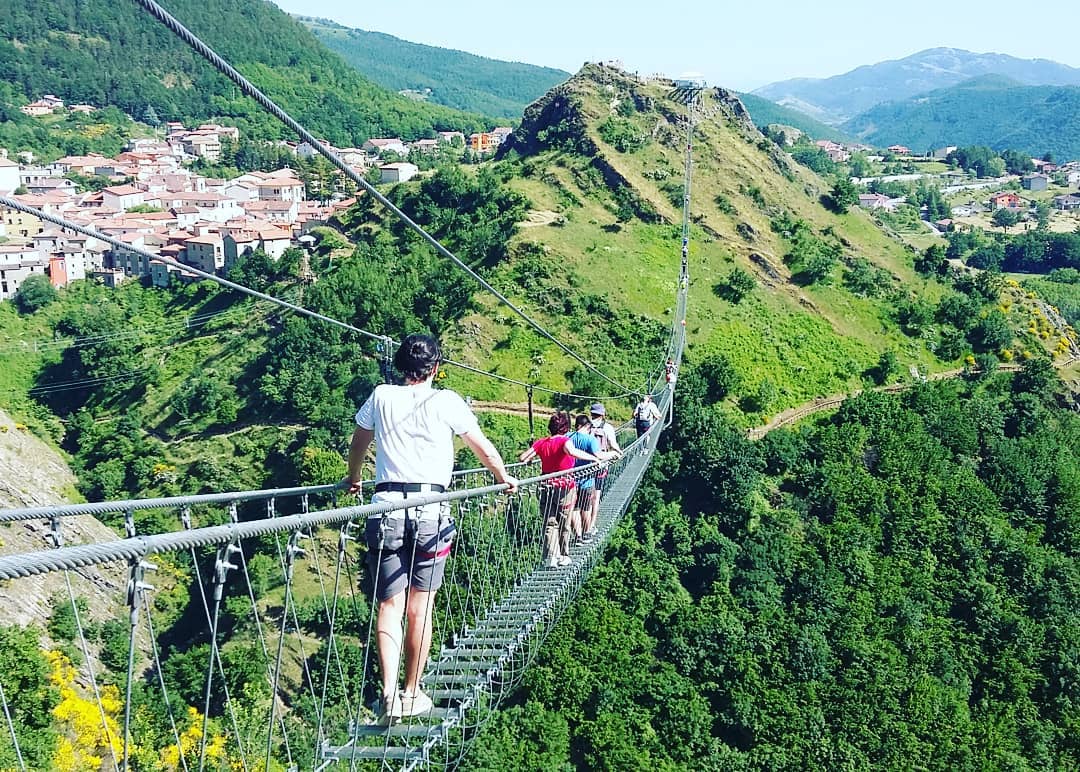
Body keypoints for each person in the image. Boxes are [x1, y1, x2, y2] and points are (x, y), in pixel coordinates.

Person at [346, 333, 518, 723]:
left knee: (389, 607)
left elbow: (358, 444)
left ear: (400, 367)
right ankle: (411, 694)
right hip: (431, 513)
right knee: (420, 609)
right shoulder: (447, 400)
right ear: (435, 368)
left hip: (386, 508)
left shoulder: (381, 395)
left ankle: (388, 695)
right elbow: (482, 447)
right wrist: (504, 477)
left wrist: (354, 478)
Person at [519, 412, 601, 568]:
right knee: (564, 522)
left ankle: (551, 557)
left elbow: (523, 458)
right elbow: (572, 452)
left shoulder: (541, 442)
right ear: (566, 427)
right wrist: (594, 458)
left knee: (550, 523)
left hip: (546, 486)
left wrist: (530, 461)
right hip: (564, 487)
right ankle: (564, 555)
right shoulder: (565, 440)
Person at [567, 414, 618, 542]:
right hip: (586, 480)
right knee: (585, 508)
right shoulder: (590, 440)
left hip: (571, 479)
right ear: (587, 426)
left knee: (574, 508)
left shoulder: (567, 437)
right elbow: (599, 455)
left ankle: (578, 536)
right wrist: (613, 453)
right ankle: (586, 533)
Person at [584, 403, 622, 539]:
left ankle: (583, 527)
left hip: (584, 466)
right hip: (601, 466)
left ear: (591, 413)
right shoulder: (607, 427)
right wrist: (618, 452)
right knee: (596, 497)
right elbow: (612, 443)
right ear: (603, 414)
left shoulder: (585, 426)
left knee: (584, 498)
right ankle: (591, 526)